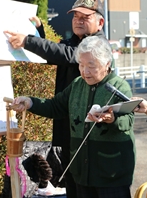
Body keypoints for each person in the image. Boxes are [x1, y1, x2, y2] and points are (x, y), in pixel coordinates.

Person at [4, 0, 108, 197]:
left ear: (100, 22)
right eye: (75, 16)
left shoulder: (97, 45)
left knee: (86, 183)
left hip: (87, 126)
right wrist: (39, 31)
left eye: (85, 17)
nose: (78, 20)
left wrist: (27, 41)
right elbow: (57, 52)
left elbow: (69, 55)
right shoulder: (74, 41)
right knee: (71, 177)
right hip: (69, 119)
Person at [11, 36, 135, 198]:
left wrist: (112, 119)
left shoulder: (120, 86)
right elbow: (55, 106)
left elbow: (128, 121)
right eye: (81, 65)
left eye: (91, 66)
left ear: (107, 64)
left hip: (111, 173)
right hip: (81, 172)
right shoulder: (77, 84)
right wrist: (30, 102)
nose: (85, 71)